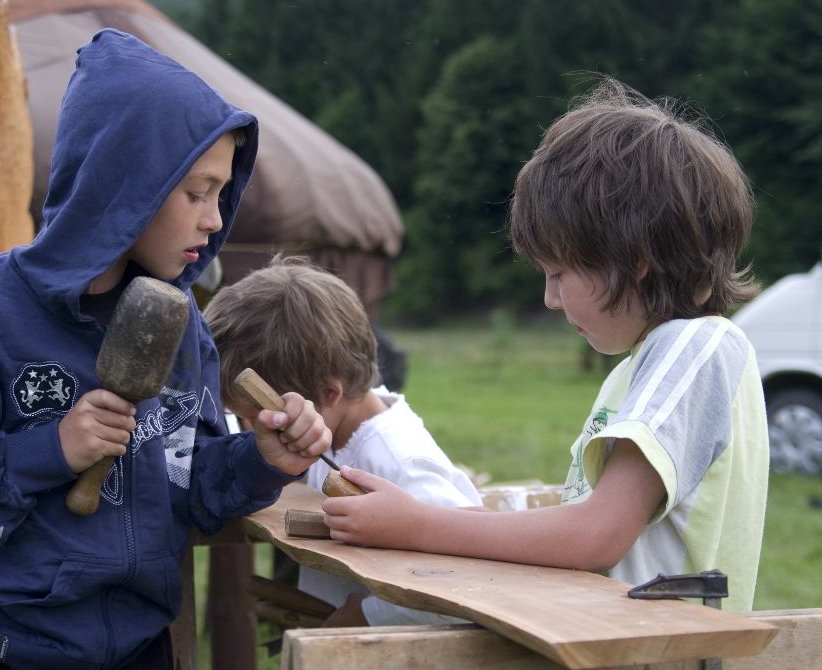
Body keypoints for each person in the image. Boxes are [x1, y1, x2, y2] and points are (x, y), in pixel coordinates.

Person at [0, 30, 330, 670]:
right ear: (124, 182)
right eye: (195, 192)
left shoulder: (178, 326)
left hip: (138, 650)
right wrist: (48, 451)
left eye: (222, 193)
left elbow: (191, 490)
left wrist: (261, 459)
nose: (216, 219)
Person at [321, 78, 769, 612]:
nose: (550, 299)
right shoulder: (647, 360)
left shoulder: (696, 345)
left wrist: (417, 524)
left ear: (636, 262)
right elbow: (578, 526)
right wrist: (417, 516)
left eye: (557, 274)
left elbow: (595, 535)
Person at [204, 255, 481, 626]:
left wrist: (366, 616)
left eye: (255, 418)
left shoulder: (398, 460)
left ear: (328, 394)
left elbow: (468, 586)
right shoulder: (339, 430)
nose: (253, 430)